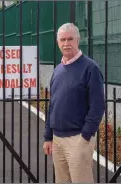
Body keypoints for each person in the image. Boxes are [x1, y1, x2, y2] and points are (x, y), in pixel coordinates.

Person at [43, 23, 105, 183]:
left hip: (78, 139)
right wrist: (48, 136)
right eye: (62, 40)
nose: (66, 43)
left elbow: (98, 106)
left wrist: (85, 136)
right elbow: (53, 106)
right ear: (58, 43)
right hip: (57, 140)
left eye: (70, 39)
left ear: (78, 40)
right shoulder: (57, 70)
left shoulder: (90, 68)